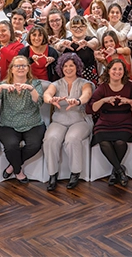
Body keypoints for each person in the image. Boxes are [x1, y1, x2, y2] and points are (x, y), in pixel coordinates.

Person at [42, 53, 94, 190]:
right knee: (50, 139)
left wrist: (77, 101)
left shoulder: (85, 83)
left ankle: (75, 173)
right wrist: (51, 100)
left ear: (77, 67)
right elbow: (47, 94)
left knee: (72, 139)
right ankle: (52, 175)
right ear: (61, 68)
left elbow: (86, 95)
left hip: (80, 119)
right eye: (65, 66)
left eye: (72, 65)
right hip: (59, 120)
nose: (68, 68)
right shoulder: (56, 84)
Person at [0, 56, 45, 183]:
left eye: (24, 65)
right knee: (11, 146)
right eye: (17, 66)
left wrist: (31, 89)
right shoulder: (3, 85)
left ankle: (12, 166)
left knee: (35, 145)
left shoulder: (35, 84)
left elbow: (40, 102)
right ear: (11, 69)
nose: (20, 68)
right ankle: (18, 170)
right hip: (8, 124)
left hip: (33, 123)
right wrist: (0, 88)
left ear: (28, 68)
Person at [88, 59, 132, 186]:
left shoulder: (130, 86)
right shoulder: (102, 87)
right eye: (114, 69)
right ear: (109, 71)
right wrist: (104, 100)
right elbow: (91, 108)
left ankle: (115, 171)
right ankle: (120, 171)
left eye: (120, 69)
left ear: (124, 71)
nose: (117, 72)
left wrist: (128, 101)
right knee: (103, 141)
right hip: (105, 121)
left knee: (121, 142)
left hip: (124, 120)